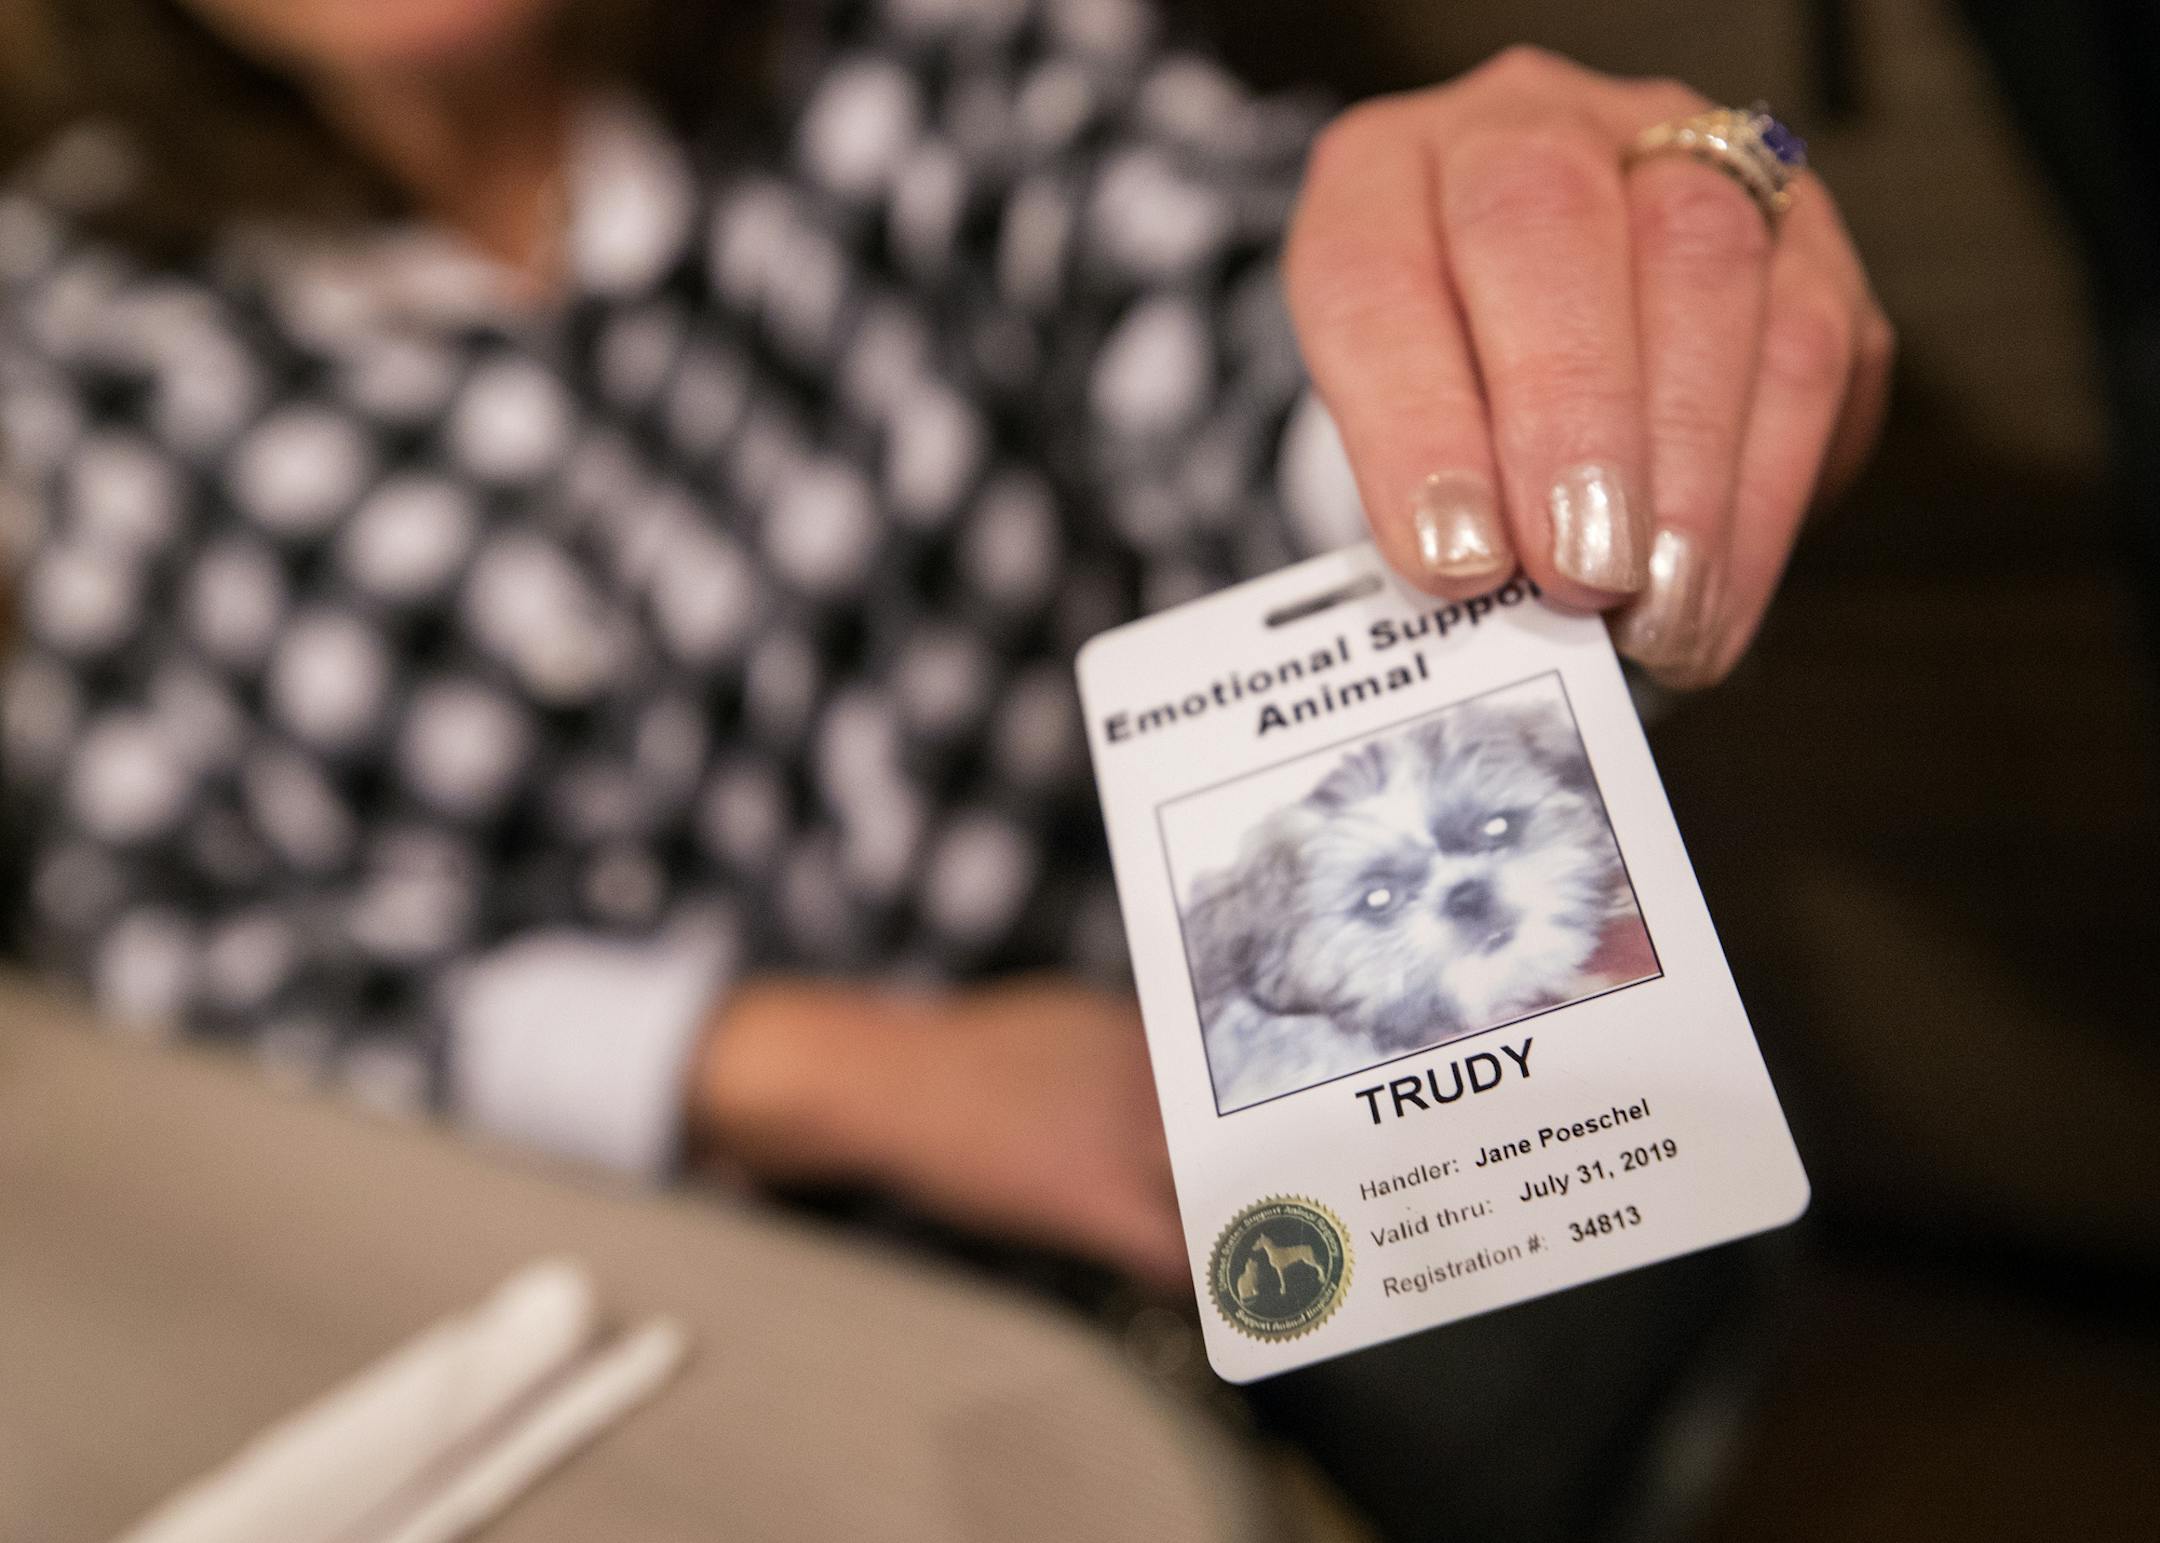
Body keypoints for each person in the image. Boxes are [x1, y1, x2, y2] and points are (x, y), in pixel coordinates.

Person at [0, 0, 1890, 1533]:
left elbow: (1240, 345)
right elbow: (159, 939)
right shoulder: (67, 317)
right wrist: (849, 1079)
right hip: (574, 1314)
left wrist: (1556, 350)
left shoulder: (935, 61)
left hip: (1235, 1239)